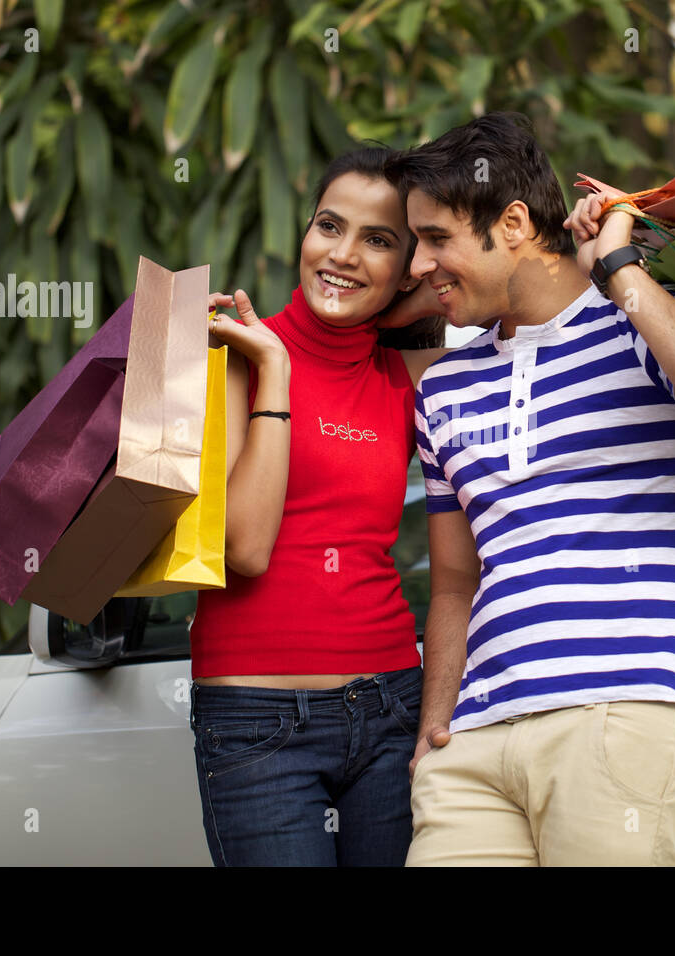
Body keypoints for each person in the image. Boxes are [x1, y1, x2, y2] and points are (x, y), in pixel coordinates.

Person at [387, 112, 675, 866]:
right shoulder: (444, 389)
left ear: (512, 223)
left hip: (617, 717)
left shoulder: (646, 324)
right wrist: (435, 733)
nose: (417, 265)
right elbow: (453, 584)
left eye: (436, 238)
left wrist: (622, 272)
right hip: (474, 746)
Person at [189, 145, 449, 866]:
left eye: (379, 241)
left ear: (407, 268)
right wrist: (274, 366)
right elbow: (244, 548)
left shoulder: (406, 375)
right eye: (329, 226)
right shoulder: (233, 354)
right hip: (255, 722)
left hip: (392, 706)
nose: (343, 254)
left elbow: (505, 292)